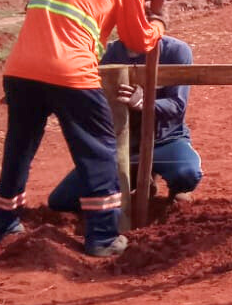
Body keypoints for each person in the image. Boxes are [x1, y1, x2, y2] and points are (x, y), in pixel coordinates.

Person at [0, 0, 166, 257]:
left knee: (20, 147)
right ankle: (103, 236)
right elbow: (137, 42)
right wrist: (158, 20)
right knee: (97, 152)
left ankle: (1, 222)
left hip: (21, 71)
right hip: (70, 74)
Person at [47, 26, 202, 212]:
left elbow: (177, 106)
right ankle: (135, 181)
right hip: (120, 145)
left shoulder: (175, 51)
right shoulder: (105, 54)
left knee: (187, 174)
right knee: (62, 200)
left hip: (165, 140)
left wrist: (145, 103)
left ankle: (174, 187)